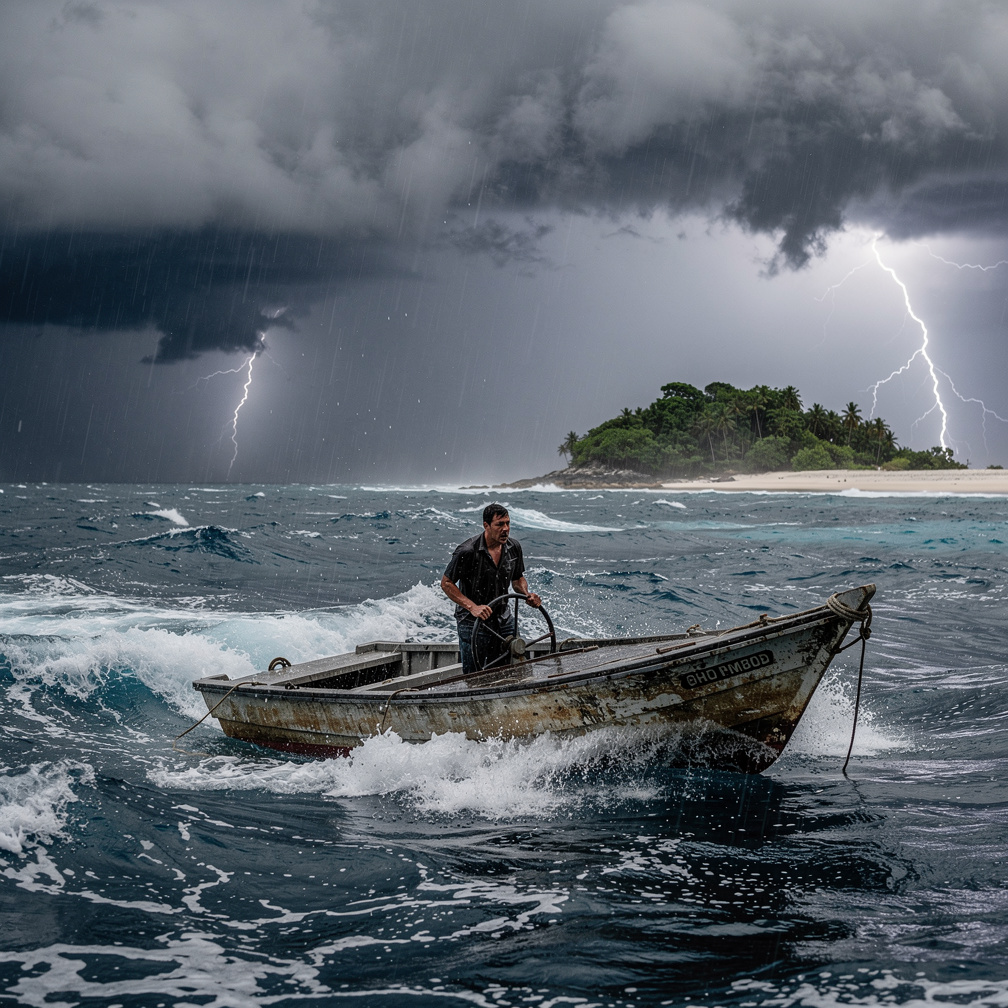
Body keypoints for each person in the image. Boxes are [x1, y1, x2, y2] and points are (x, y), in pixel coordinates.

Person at [441, 502, 541, 677]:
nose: (506, 529)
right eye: (499, 524)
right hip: (473, 622)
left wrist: (527, 594)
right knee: (474, 676)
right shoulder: (468, 551)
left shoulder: (514, 547)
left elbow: (517, 578)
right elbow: (447, 583)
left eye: (508, 523)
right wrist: (473, 607)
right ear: (486, 525)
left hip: (503, 620)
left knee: (508, 672)